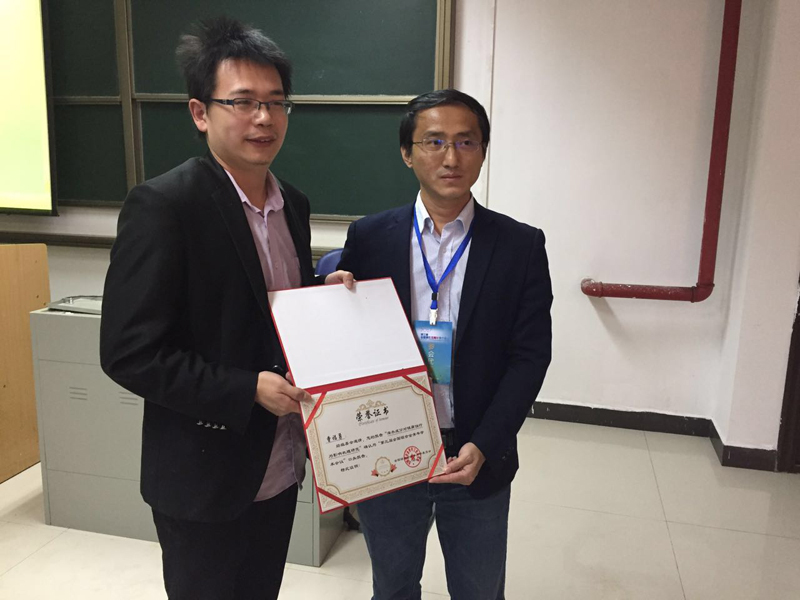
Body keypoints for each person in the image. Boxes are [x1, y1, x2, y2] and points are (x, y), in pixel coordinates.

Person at [100, 16, 351, 600]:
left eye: (275, 102)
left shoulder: (293, 205)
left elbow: (257, 303)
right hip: (204, 474)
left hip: (280, 463)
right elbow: (129, 353)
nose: (263, 118)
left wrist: (322, 293)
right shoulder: (164, 206)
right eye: (242, 102)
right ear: (200, 112)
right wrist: (244, 390)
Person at [337, 89, 552, 600]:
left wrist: (487, 443)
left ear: (482, 151)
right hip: (389, 449)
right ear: (407, 153)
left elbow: (529, 357)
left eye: (465, 141)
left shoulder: (520, 245)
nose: (451, 157)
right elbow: (348, 343)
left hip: (475, 452)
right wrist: (331, 302)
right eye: (433, 141)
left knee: (479, 590)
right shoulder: (368, 238)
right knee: (392, 587)